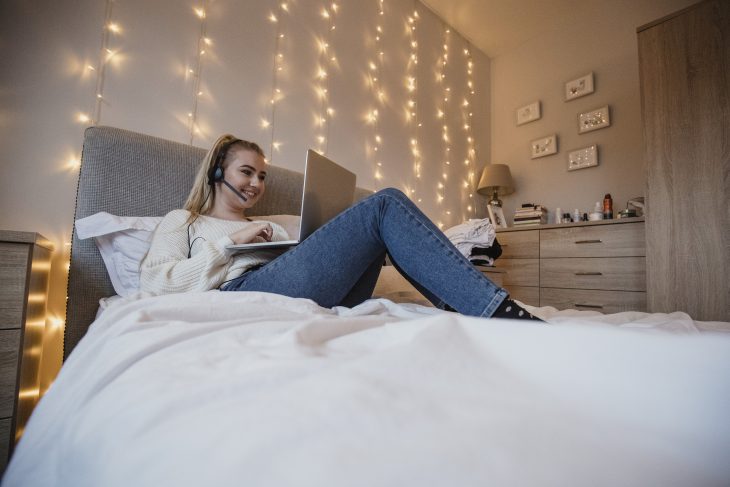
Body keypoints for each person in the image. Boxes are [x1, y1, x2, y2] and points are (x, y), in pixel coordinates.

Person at [140, 134, 543, 321]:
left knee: (376, 227)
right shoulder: (185, 221)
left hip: (313, 294)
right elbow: (157, 283)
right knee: (384, 204)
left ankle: (461, 307)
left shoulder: (268, 224)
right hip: (242, 292)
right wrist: (231, 242)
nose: (257, 184)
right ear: (215, 172)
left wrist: (299, 237)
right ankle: (495, 310)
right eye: (247, 172)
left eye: (262, 175)